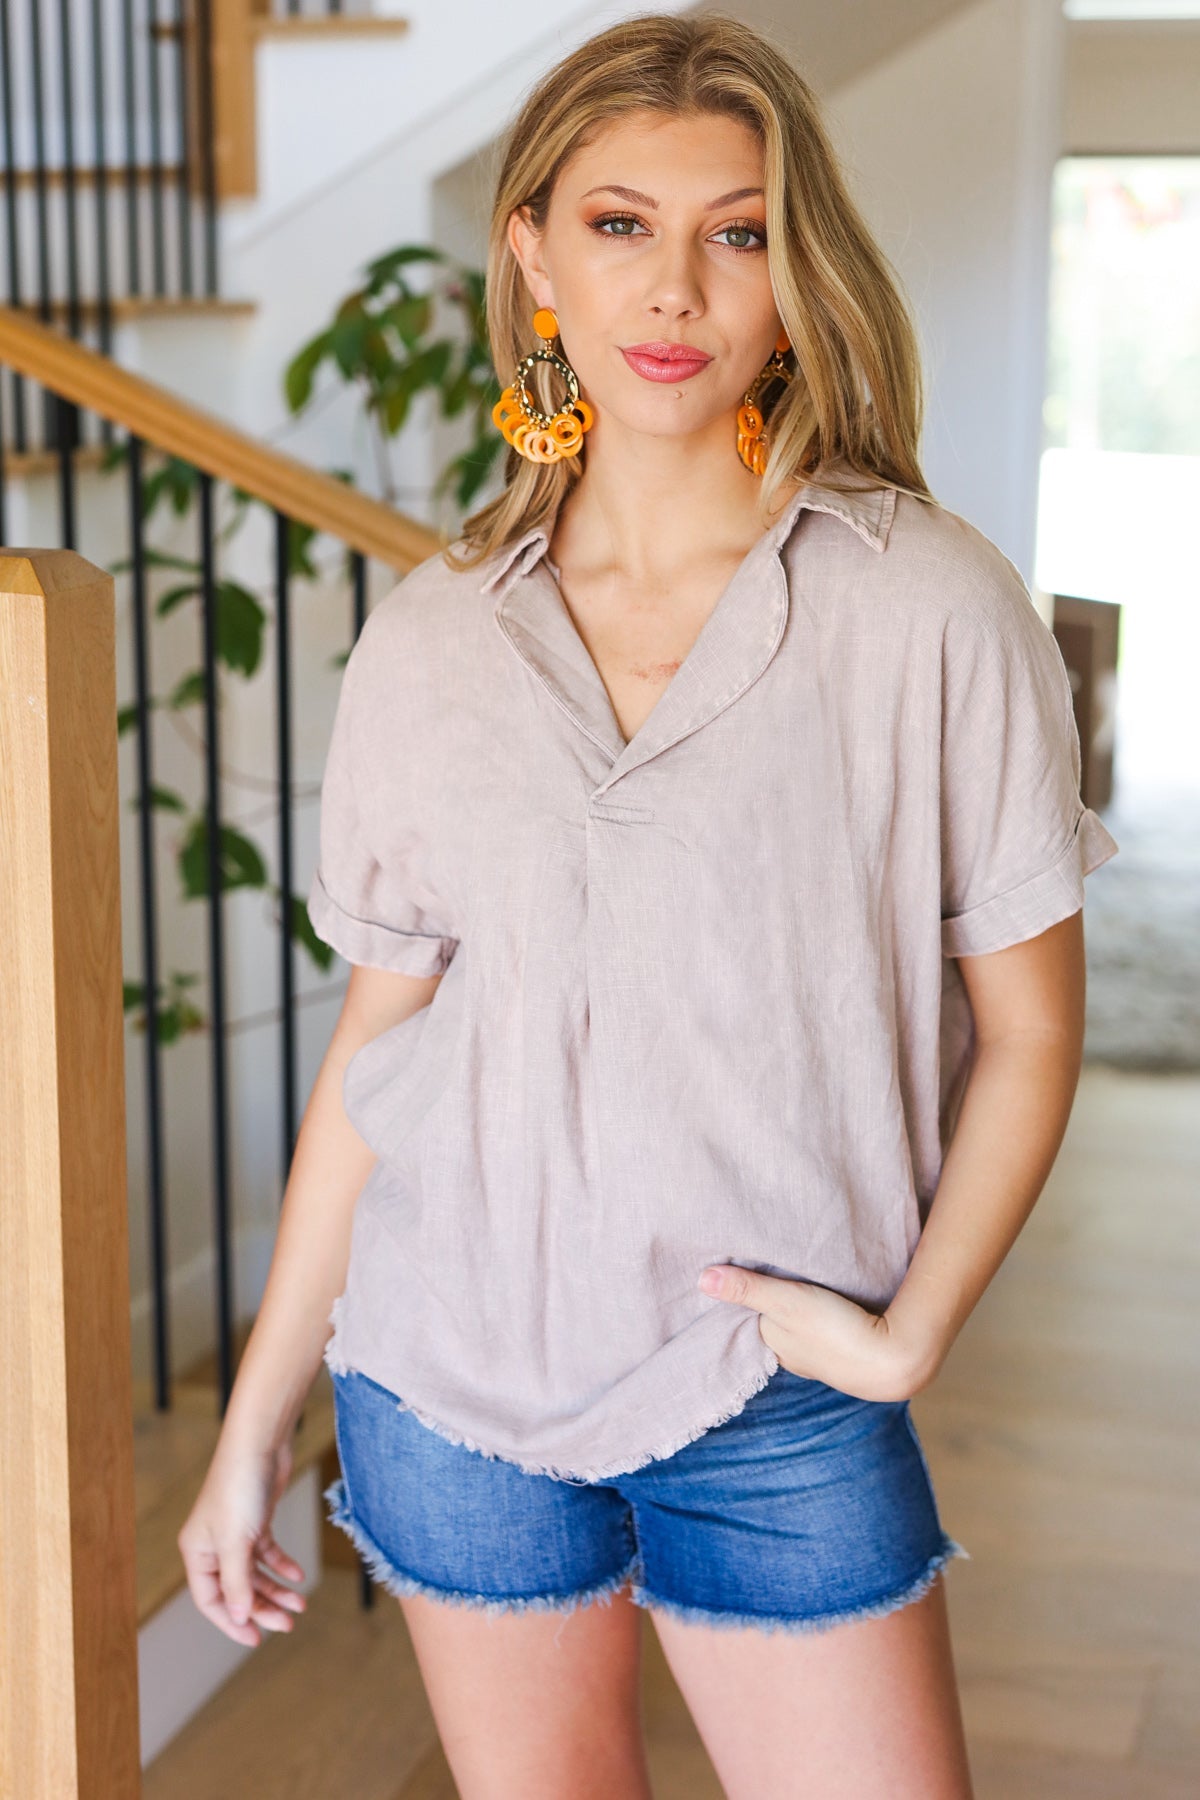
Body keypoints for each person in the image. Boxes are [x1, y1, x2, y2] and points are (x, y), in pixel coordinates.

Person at [178, 14, 1119, 1797]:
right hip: (451, 1384)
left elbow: (1034, 1025)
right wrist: (252, 1431)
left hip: (775, 1387)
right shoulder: (434, 637)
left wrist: (909, 1331)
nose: (675, 285)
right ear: (531, 250)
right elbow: (381, 1051)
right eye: (619, 224)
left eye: (738, 229)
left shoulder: (924, 604)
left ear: (796, 269)